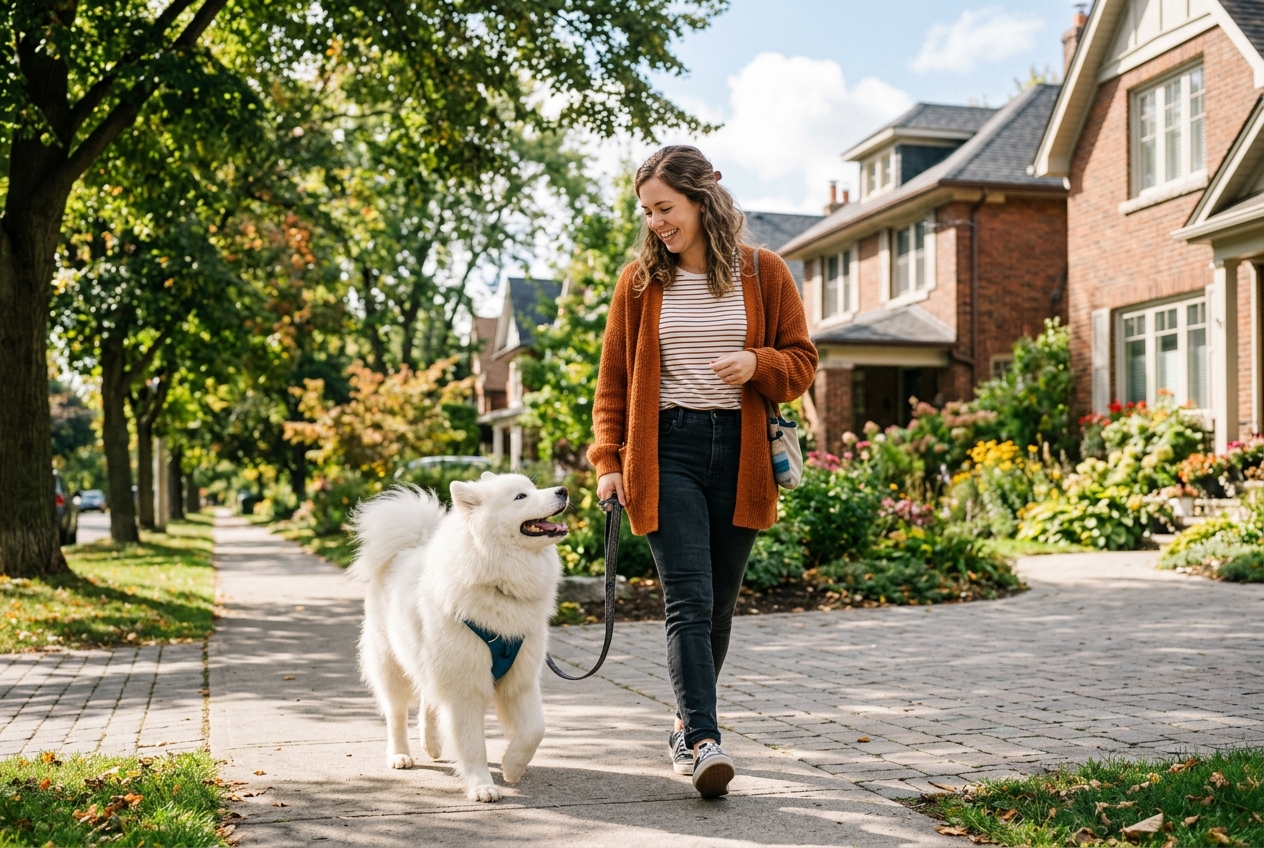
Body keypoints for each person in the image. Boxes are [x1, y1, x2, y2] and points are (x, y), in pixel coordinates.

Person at [588, 145, 817, 799]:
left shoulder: (763, 271)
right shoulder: (639, 285)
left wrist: (757, 365)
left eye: (665, 207)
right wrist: (608, 463)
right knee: (687, 601)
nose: (656, 222)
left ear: (701, 199)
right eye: (648, 212)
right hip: (667, 453)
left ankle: (687, 728)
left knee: (717, 607)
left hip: (740, 456)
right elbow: (613, 385)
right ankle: (705, 741)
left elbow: (802, 363)